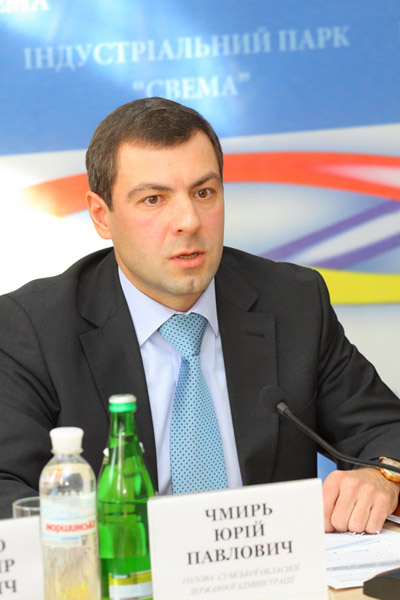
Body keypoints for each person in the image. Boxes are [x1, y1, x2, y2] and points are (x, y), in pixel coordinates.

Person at [1, 97, 400, 532]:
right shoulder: (33, 328)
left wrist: (380, 476)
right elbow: (7, 488)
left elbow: (386, 430)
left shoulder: (292, 301)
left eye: (203, 192)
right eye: (154, 199)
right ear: (102, 216)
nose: (189, 221)